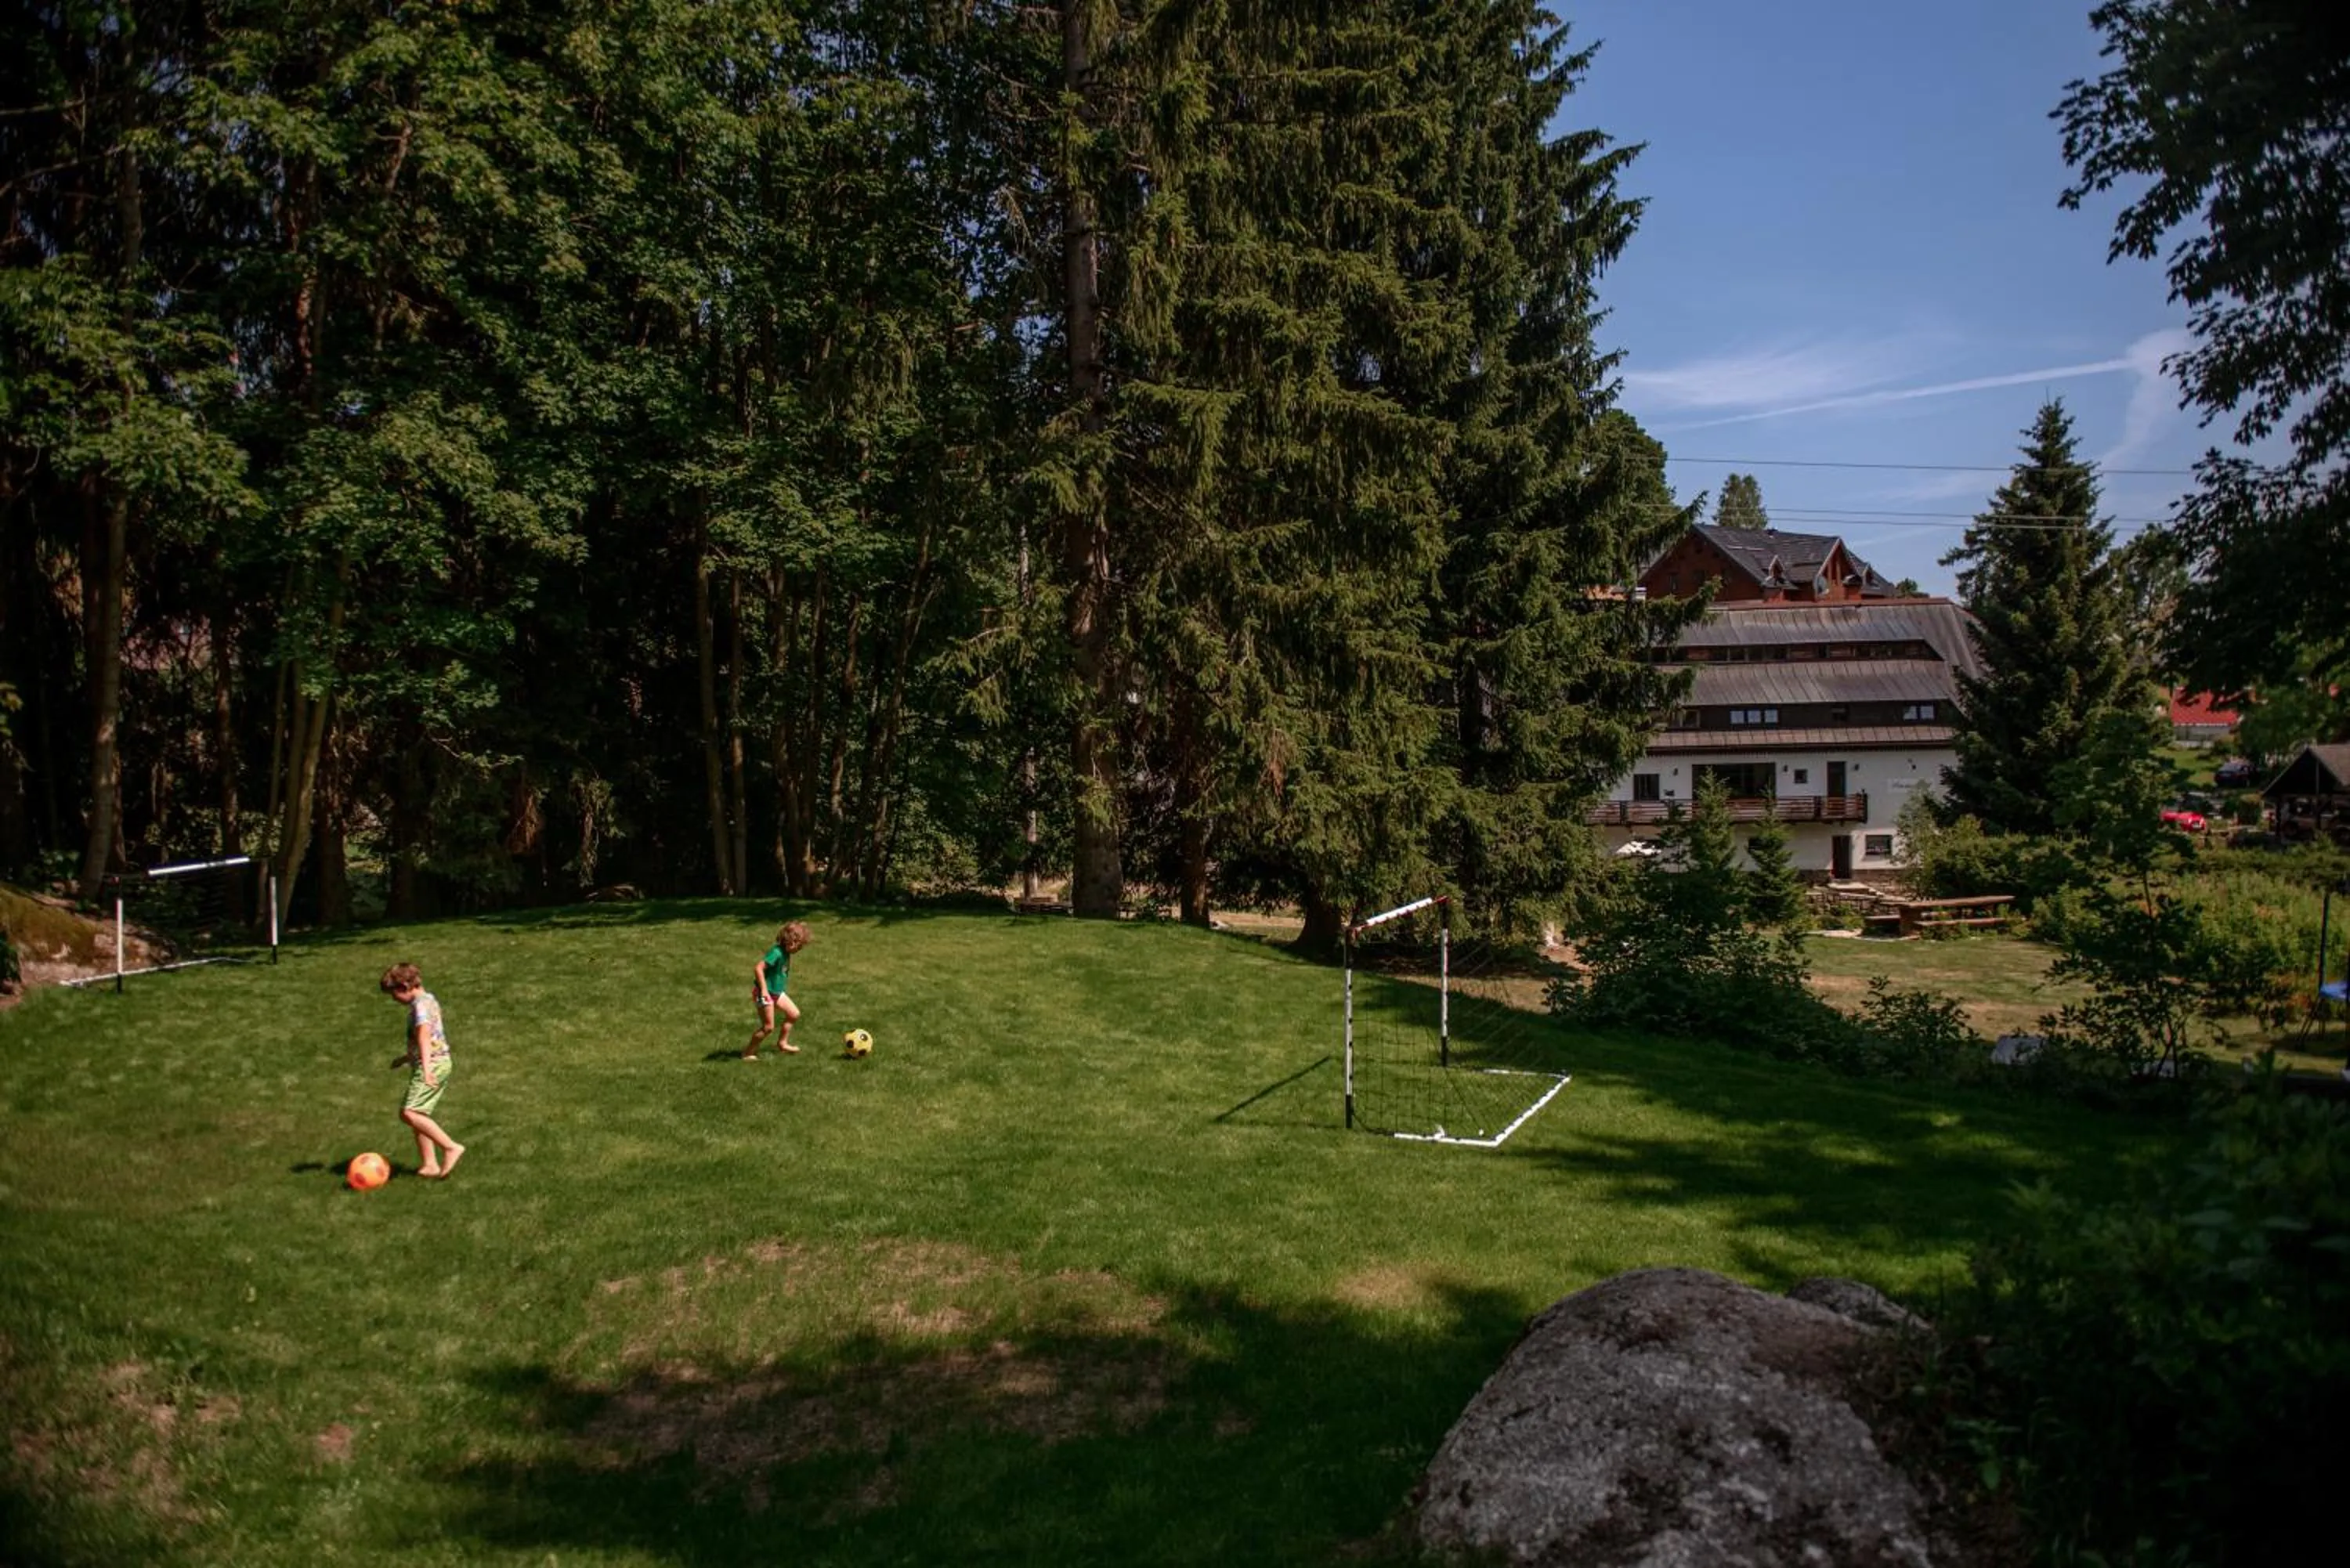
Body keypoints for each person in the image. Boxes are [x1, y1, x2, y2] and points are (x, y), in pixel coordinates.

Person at [381, 963, 465, 1179]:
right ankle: (430, 1164)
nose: (393, 999)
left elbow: (425, 1036)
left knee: (409, 1112)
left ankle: (450, 1147)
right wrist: (406, 1059)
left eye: (394, 994)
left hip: (433, 1064)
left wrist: (427, 1069)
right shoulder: (428, 1000)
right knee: (419, 1113)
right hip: (435, 1061)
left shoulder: (420, 1006)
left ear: (404, 986)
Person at [743, 920, 810, 1060]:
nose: (800, 949)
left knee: (794, 1014)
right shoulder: (777, 953)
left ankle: (782, 1043)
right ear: (790, 941)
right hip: (765, 994)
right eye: (799, 945)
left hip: (776, 993)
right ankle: (748, 1052)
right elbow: (758, 968)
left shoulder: (786, 953)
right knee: (768, 1027)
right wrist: (764, 991)